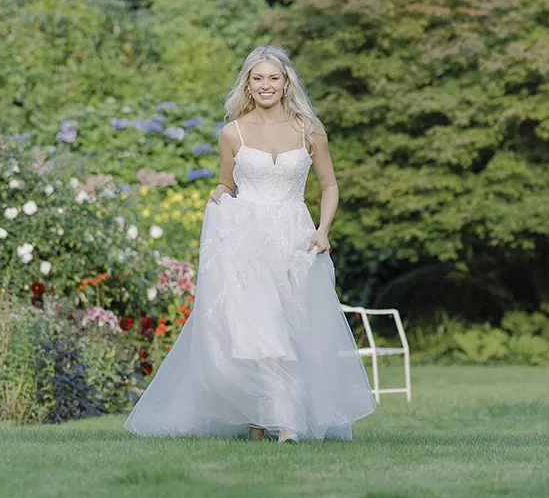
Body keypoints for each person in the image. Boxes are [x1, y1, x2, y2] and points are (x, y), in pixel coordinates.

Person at [124, 44, 377, 443]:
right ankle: (283, 423)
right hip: (245, 241)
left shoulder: (310, 130)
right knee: (258, 329)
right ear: (247, 83)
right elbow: (226, 183)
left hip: (295, 238)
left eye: (273, 78)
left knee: (293, 328)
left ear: (286, 82)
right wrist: (218, 201)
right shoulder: (232, 132)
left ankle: (267, 419)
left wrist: (323, 229)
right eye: (257, 78)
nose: (265, 85)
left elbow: (329, 185)